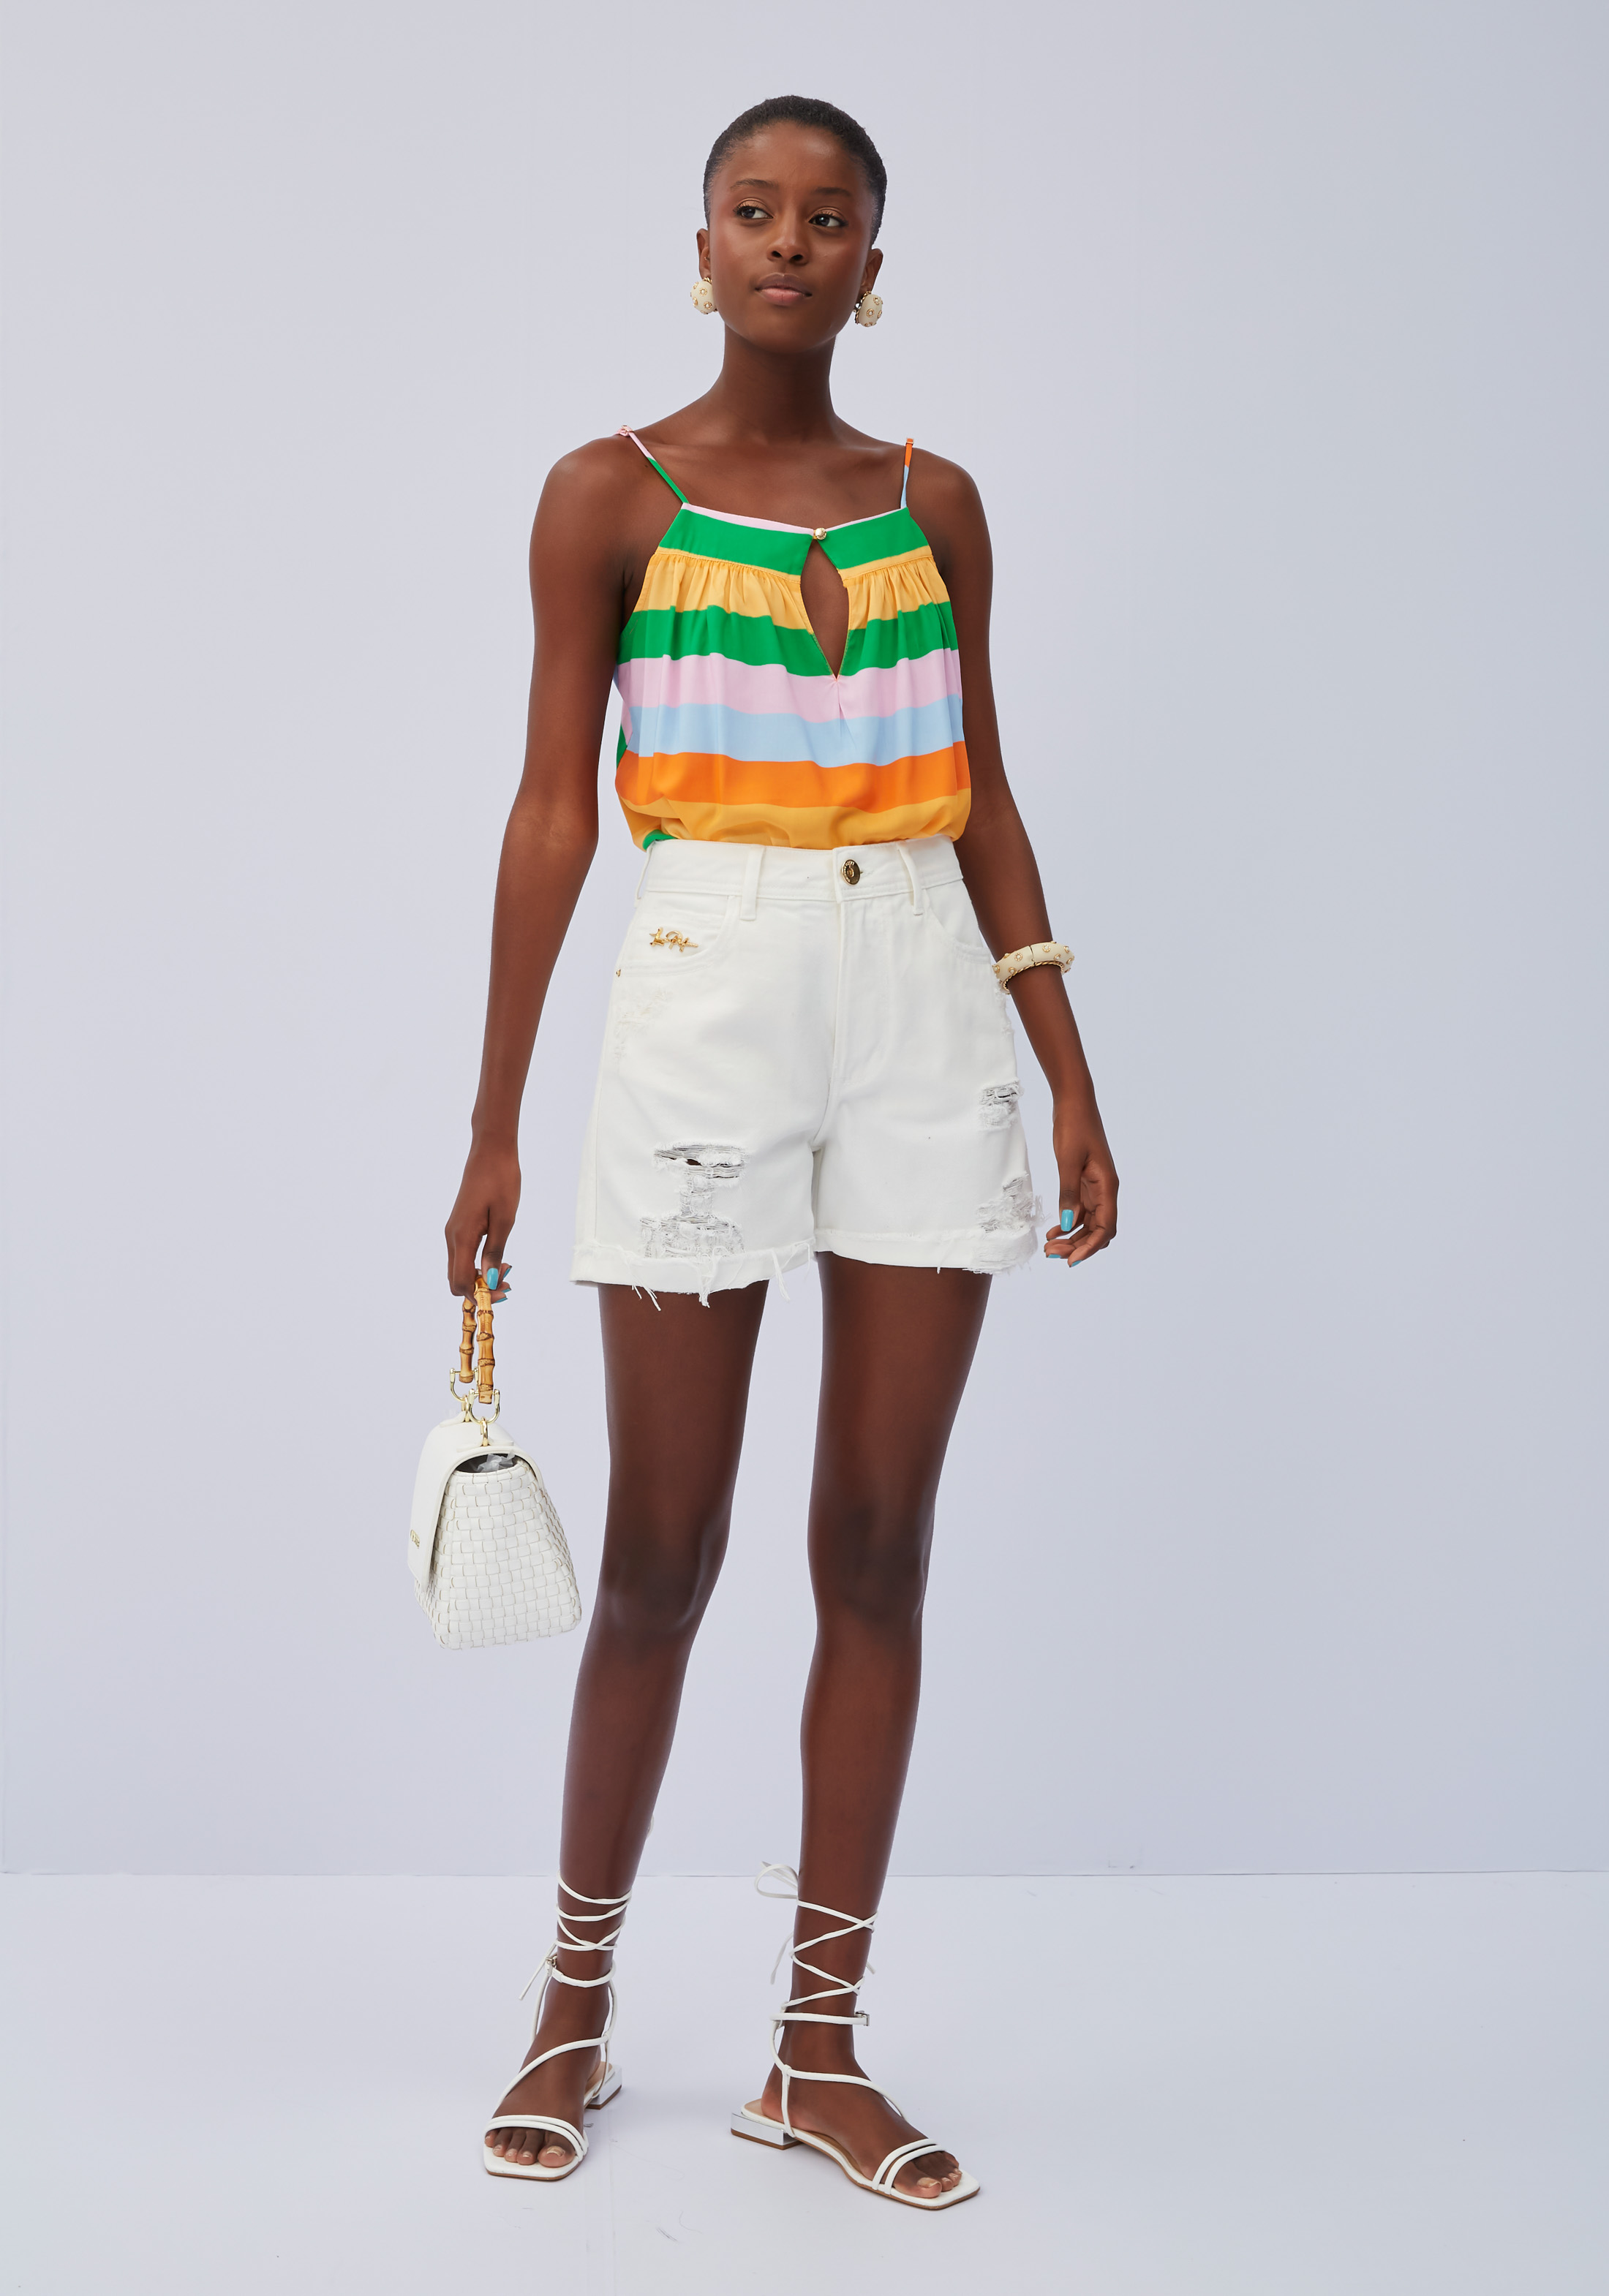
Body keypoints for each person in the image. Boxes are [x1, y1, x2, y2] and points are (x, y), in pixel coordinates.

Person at [445, 93, 1118, 2210]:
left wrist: (1067, 1061)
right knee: (662, 1553)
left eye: (830, 218)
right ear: (703, 245)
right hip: (704, 988)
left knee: (880, 1546)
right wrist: (492, 1115)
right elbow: (554, 809)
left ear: (874, 265)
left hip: (925, 997)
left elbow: (983, 791)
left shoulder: (938, 503)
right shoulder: (607, 497)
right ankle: (572, 2006)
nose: (790, 243)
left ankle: (817, 2054)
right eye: (755, 209)